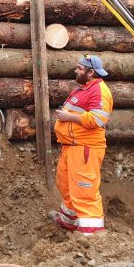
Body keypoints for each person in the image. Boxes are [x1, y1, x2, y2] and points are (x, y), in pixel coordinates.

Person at [48, 54, 113, 236]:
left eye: (80, 68)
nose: (76, 71)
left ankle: (92, 233)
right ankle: (70, 220)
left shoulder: (99, 90)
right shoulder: (83, 89)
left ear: (91, 72)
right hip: (71, 146)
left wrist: (69, 117)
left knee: (84, 187)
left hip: (86, 148)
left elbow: (98, 119)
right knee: (66, 184)